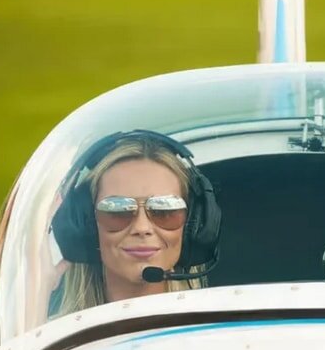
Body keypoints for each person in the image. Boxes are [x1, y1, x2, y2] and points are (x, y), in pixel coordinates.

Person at [47, 130, 221, 318]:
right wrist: (38, 288)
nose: (142, 228)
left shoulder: (221, 332)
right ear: (87, 223)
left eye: (165, 211)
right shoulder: (51, 332)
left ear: (193, 223)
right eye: (117, 210)